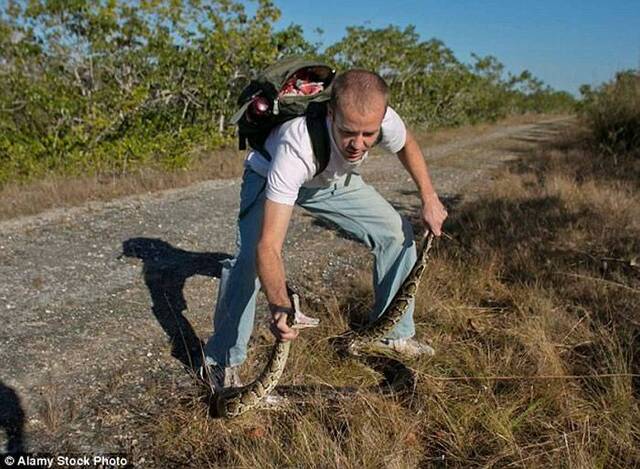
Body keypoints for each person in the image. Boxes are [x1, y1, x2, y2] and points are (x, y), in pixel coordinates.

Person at [200, 69, 448, 390]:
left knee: (396, 233)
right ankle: (220, 360)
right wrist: (279, 305)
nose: (358, 145)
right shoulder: (296, 147)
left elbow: (407, 144)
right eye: (348, 132)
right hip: (270, 176)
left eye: (368, 135)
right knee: (248, 261)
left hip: (329, 181)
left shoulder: (382, 118)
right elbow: (269, 248)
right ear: (331, 113)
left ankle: (392, 334)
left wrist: (429, 198)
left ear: (382, 118)